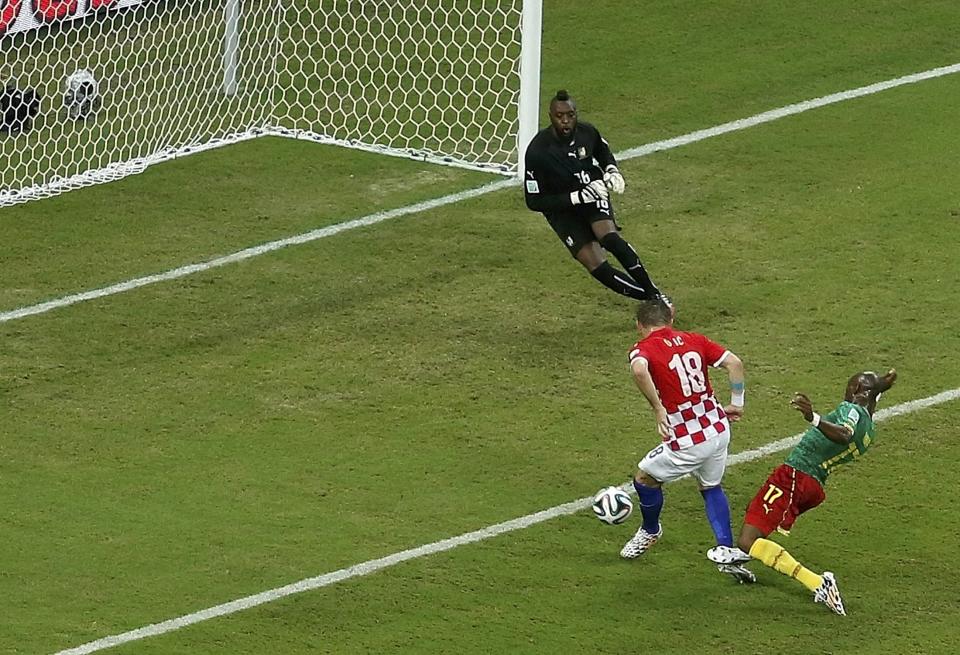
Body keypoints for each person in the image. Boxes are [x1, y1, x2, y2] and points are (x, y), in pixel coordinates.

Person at [708, 368, 898, 615]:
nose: (846, 389)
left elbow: (844, 434)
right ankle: (740, 559)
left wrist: (813, 418)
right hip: (813, 483)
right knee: (756, 518)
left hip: (796, 475)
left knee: (750, 538)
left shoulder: (852, 410)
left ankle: (819, 583)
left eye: (850, 384)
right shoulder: (870, 431)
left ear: (859, 391)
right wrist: (884, 382)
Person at [620, 300, 752, 583]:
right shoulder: (695, 340)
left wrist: (657, 408)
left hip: (688, 440)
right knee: (711, 487)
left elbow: (640, 371)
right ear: (671, 318)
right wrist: (737, 404)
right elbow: (735, 363)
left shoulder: (642, 348)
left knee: (644, 478)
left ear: (639, 325)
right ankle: (726, 550)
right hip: (718, 428)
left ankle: (650, 530)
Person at [523, 90, 668, 307]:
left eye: (570, 115)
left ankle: (654, 293)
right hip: (562, 210)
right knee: (595, 264)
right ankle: (650, 298)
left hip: (592, 194)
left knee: (609, 238)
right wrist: (576, 197)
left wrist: (611, 170)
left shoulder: (587, 132)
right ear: (550, 116)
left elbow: (603, 151)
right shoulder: (538, 151)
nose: (565, 121)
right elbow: (534, 201)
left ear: (576, 114)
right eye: (559, 116)